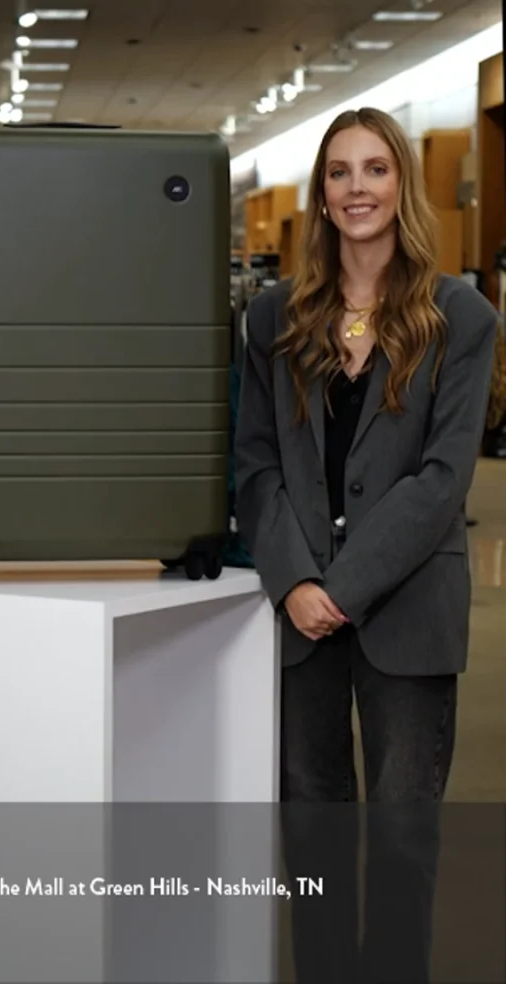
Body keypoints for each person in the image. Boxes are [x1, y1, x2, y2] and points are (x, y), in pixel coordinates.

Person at [234, 107, 498, 984]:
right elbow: (255, 465)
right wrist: (293, 583)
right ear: (321, 194)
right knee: (311, 836)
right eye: (339, 172)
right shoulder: (273, 316)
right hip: (299, 613)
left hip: (407, 607)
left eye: (375, 169)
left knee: (400, 839)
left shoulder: (461, 316)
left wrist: (341, 586)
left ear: (402, 185)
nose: (358, 189)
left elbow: (442, 478)